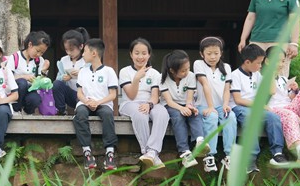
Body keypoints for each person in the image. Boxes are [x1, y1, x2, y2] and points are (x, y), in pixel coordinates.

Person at [238, 0, 300, 77]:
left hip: (280, 42)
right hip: (257, 41)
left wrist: (294, 43)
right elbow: (250, 17)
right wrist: (242, 39)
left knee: (279, 76)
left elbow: (295, 20)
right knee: (254, 76)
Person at [230, 43, 287, 173]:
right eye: (258, 63)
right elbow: (238, 100)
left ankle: (277, 153)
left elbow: (272, 91)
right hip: (240, 108)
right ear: (247, 62)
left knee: (273, 117)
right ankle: (250, 159)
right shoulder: (235, 75)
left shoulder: (257, 74)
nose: (261, 66)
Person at [118, 38, 168, 170]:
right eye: (137, 53)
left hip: (149, 103)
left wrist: (149, 104)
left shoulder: (155, 73)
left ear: (149, 54)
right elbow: (131, 95)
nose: (140, 57)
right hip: (129, 103)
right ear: (131, 54)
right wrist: (136, 78)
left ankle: (152, 151)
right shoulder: (125, 71)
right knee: (140, 113)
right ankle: (147, 151)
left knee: (162, 112)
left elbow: (155, 96)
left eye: (144, 53)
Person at [264, 46, 300, 163]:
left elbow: (289, 98)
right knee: (290, 115)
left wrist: (294, 91)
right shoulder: (261, 77)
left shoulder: (283, 79)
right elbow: (270, 93)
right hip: (275, 110)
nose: (280, 64)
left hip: (289, 106)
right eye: (276, 60)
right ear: (267, 61)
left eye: (282, 61)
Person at [73, 38, 118, 170]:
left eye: (85, 51)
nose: (82, 54)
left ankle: (110, 152)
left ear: (94, 53)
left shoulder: (109, 71)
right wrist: (87, 101)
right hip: (85, 102)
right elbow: (79, 93)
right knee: (80, 114)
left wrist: (97, 102)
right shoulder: (83, 71)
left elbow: (112, 95)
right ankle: (87, 151)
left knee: (108, 114)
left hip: (103, 103)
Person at [193, 36, 237, 171]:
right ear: (202, 54)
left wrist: (225, 104)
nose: (213, 57)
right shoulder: (198, 64)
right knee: (211, 117)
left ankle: (229, 155)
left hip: (219, 105)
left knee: (230, 116)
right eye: (209, 53)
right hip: (202, 105)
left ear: (221, 53)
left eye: (216, 53)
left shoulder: (227, 67)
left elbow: (226, 88)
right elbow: (205, 84)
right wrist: (211, 107)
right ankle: (209, 156)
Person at [159, 50, 206, 169]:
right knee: (178, 116)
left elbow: (189, 99)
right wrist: (181, 109)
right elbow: (169, 101)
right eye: (183, 70)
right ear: (172, 71)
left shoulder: (190, 76)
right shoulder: (162, 79)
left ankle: (200, 141)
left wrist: (189, 107)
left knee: (195, 114)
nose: (187, 72)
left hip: (185, 103)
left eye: (188, 68)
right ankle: (184, 151)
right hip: (171, 105)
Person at [5, 30, 51, 115]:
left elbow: (41, 83)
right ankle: (16, 110)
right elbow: (7, 78)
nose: (39, 54)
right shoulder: (15, 57)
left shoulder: (39, 60)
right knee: (22, 83)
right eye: (37, 51)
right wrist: (23, 77)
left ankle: (27, 112)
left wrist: (44, 70)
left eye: (42, 53)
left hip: (30, 90)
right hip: (15, 91)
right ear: (30, 45)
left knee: (36, 99)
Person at [52, 27, 88, 115]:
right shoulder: (63, 60)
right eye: (66, 50)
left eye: (71, 50)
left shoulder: (87, 60)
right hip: (70, 95)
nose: (69, 53)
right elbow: (57, 80)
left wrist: (81, 73)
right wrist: (63, 78)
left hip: (85, 96)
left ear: (81, 46)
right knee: (56, 84)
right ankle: (61, 111)